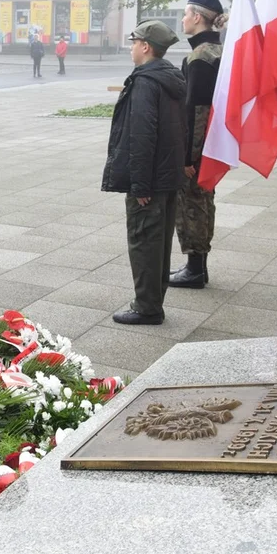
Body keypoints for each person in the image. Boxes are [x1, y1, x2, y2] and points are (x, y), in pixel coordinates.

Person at [102, 21, 185, 326]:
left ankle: (147, 306)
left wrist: (139, 184)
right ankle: (152, 299)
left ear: (146, 47)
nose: (131, 46)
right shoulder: (170, 78)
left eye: (134, 41)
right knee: (159, 242)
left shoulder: (146, 82)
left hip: (150, 177)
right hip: (168, 175)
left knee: (144, 240)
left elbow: (141, 135)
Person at [170, 0, 226, 290]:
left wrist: (188, 158)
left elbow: (196, 111)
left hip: (198, 147)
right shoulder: (217, 50)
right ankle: (197, 267)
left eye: (185, 14)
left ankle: (194, 270)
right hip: (212, 144)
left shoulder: (201, 57)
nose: (182, 19)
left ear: (196, 17)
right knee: (203, 201)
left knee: (192, 202)